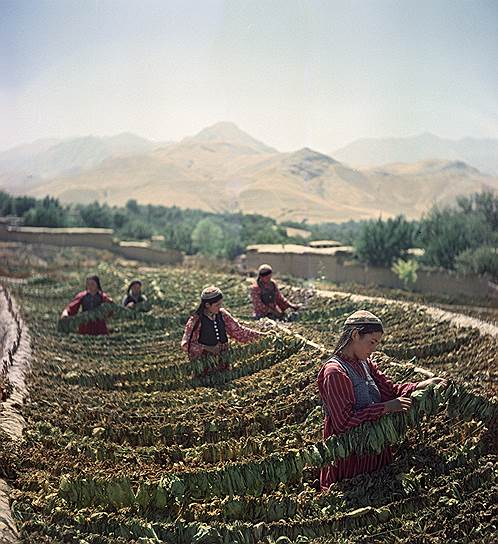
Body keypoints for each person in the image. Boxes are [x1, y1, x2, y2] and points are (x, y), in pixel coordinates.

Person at [318, 310, 447, 487]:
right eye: (371, 342)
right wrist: (385, 408)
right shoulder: (335, 372)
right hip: (350, 456)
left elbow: (391, 391)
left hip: (373, 447)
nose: (373, 349)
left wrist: (421, 385)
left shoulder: (365, 363)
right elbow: (343, 422)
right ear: (355, 335)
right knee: (354, 491)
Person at [181, 286, 264, 372]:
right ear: (207, 305)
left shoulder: (222, 314)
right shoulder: (196, 321)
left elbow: (239, 332)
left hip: (223, 362)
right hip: (205, 366)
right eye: (217, 305)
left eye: (220, 304)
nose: (220, 307)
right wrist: (207, 348)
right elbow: (186, 345)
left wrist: (262, 336)